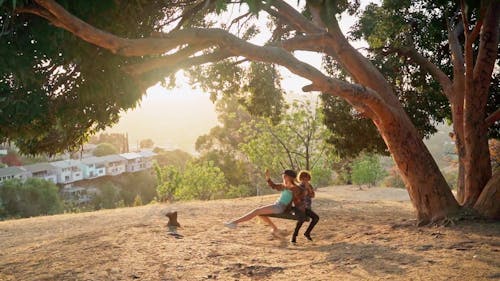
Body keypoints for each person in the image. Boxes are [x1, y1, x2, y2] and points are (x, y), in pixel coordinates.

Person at [224, 169, 301, 237]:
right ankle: (275, 229)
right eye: (283, 175)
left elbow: (298, 194)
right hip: (277, 205)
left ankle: (234, 223)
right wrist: (268, 178)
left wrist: (297, 209)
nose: (283, 176)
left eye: (285, 175)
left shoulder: (294, 188)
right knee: (260, 213)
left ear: (290, 177)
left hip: (280, 207)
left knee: (257, 211)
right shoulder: (284, 186)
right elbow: (274, 186)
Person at [291, 170, 320, 243]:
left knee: (316, 218)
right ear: (300, 179)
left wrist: (309, 188)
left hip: (307, 208)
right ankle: (294, 235)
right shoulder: (298, 187)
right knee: (302, 219)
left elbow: (313, 195)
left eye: (307, 179)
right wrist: (305, 191)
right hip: (299, 207)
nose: (305, 180)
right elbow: (297, 198)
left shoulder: (309, 185)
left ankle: (307, 233)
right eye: (303, 179)